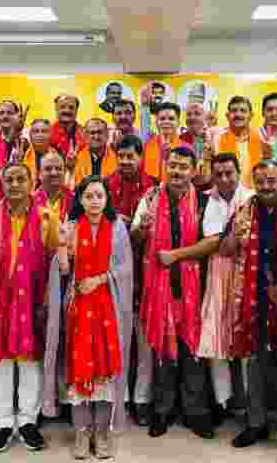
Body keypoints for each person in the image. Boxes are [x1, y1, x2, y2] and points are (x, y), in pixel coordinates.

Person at [43, 175, 134, 459]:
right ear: (80, 200)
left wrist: (99, 280)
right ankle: (82, 432)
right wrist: (61, 248)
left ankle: (102, 431)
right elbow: (64, 271)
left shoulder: (117, 228)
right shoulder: (70, 228)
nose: (95, 201)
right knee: (79, 367)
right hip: (78, 309)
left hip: (109, 305)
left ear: (107, 199)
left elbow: (126, 268)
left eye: (99, 196)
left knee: (105, 368)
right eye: (89, 196)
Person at [219, 160, 277, 456]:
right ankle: (256, 424)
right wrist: (235, 235)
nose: (267, 187)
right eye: (261, 181)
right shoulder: (245, 209)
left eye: (272, 180)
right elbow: (226, 249)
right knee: (254, 364)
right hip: (253, 295)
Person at [0, 162, 60, 453]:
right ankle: (2, 423)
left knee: (30, 361)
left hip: (34, 298)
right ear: (2, 183)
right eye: (9, 179)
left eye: (21, 179)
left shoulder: (47, 217)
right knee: (2, 362)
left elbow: (54, 255)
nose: (15, 184)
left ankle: (28, 422)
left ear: (31, 182)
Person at [130, 147, 216, 438]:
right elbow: (135, 237)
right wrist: (142, 228)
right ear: (165, 167)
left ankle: (196, 412)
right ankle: (162, 410)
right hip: (158, 283)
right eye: (173, 166)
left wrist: (177, 255)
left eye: (183, 167)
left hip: (195, 284)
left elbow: (214, 242)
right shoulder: (151, 197)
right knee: (163, 348)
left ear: (193, 170)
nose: (177, 172)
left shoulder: (205, 201)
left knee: (192, 348)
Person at [196, 153, 255, 418]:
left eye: (229, 173)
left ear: (239, 172)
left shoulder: (253, 198)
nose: (223, 179)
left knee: (245, 336)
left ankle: (250, 401)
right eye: (218, 174)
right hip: (217, 273)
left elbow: (234, 244)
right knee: (215, 333)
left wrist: (227, 241)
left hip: (248, 274)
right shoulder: (207, 199)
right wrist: (231, 237)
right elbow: (219, 244)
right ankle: (223, 401)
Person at [106, 135, 156, 424]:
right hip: (114, 269)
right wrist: (118, 222)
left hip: (148, 269)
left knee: (144, 338)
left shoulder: (154, 186)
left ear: (141, 157)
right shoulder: (105, 185)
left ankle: (142, 399)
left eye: (131, 156)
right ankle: (119, 397)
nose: (126, 161)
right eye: (121, 156)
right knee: (118, 337)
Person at [212, 96, 266, 188]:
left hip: (254, 194)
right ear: (227, 115)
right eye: (234, 110)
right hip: (224, 195)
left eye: (243, 111)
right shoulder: (216, 139)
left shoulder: (262, 140)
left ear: (251, 116)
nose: (238, 114)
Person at [142, 103, 185, 183]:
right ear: (156, 122)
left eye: (171, 119)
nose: (166, 122)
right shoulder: (147, 145)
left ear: (178, 122)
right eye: (162, 119)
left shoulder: (186, 147)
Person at [73, 118, 118, 185]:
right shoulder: (76, 158)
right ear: (85, 136)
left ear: (107, 134)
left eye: (99, 132)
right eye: (92, 133)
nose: (96, 136)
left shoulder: (117, 157)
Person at [34, 149, 74, 221]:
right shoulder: (30, 203)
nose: (54, 173)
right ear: (39, 174)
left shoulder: (74, 201)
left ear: (64, 172)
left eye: (58, 169)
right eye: (48, 169)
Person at [51, 94, 87, 172]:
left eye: (71, 107)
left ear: (76, 110)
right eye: (62, 107)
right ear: (56, 109)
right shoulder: (46, 133)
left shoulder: (86, 134)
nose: (67, 110)